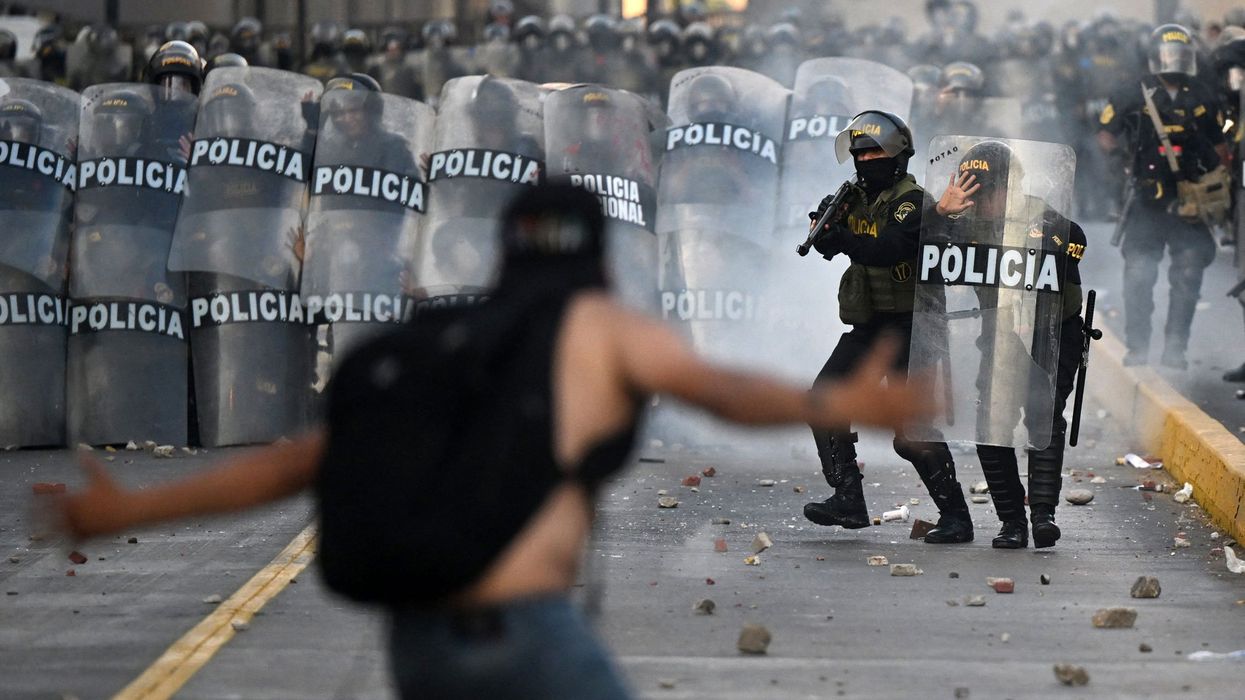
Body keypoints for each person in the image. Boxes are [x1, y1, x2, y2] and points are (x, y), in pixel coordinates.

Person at [52, 182, 935, 699]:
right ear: (594, 255)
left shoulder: (443, 345)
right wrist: (843, 402)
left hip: (420, 646)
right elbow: (720, 390)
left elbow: (293, 467)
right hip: (527, 633)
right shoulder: (593, 324)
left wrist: (127, 509)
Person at [801, 111, 974, 544]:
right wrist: (823, 227)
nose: (865, 160)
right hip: (869, 324)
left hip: (912, 325)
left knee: (910, 431)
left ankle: (957, 518)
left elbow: (886, 249)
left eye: (875, 151)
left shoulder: (911, 201)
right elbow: (825, 242)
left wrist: (841, 239)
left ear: (897, 157)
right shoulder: (853, 197)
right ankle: (848, 499)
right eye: (859, 153)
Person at [931, 141, 1088, 548]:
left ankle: (1043, 516)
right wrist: (940, 216)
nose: (979, 200)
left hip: (1051, 335)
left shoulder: (1038, 215)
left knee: (1044, 415)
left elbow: (1077, 241)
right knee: (991, 422)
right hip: (1000, 334)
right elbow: (921, 249)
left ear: (1009, 185)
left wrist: (1048, 243)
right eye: (971, 189)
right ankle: (1011, 522)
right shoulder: (962, 222)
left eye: (986, 190)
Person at [1098, 24, 1230, 369]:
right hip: (1146, 201)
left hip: (1189, 201)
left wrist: (1215, 179)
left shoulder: (1201, 94)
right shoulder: (1132, 91)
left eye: (1180, 54)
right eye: (1168, 54)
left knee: (1188, 275)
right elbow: (1106, 134)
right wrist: (1121, 165)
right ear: (1154, 56)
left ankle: (1176, 349)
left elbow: (1219, 142)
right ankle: (1138, 346)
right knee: (1139, 275)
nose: (1174, 61)